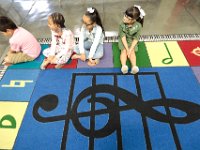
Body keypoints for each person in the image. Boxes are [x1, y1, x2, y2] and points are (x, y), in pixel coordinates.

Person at [118, 5, 145, 74]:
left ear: (134, 20)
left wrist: (130, 49)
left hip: (132, 40)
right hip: (123, 40)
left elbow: (136, 38)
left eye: (128, 18)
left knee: (132, 52)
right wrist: (127, 49)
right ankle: (124, 66)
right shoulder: (121, 24)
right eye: (125, 15)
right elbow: (122, 37)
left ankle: (134, 66)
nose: (124, 18)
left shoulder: (138, 26)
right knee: (123, 51)